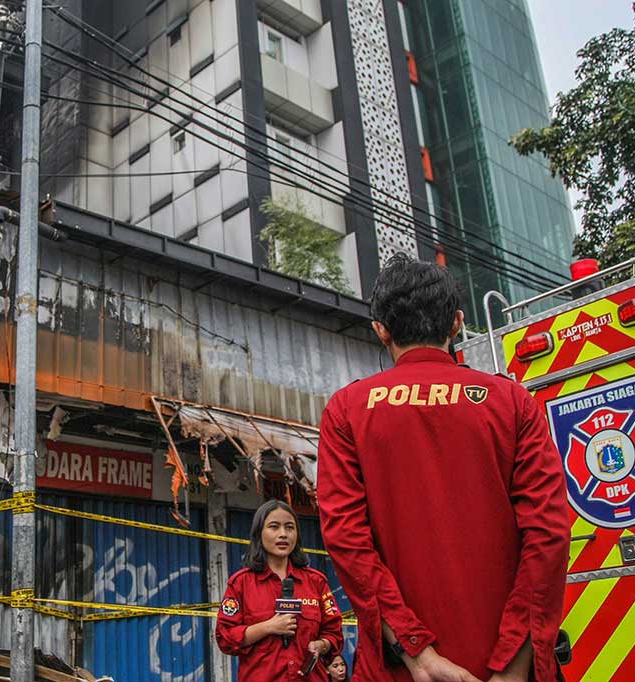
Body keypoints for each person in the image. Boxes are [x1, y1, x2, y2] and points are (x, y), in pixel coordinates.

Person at [316, 254, 570, 682]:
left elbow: (346, 539)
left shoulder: (347, 411)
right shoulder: (512, 403)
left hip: (401, 670)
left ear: (381, 330)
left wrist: (419, 655)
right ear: (456, 323)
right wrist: (513, 666)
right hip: (508, 664)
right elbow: (548, 533)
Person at [216, 499, 344, 680]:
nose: (283, 534)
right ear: (259, 533)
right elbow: (225, 638)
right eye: (274, 527)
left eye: (290, 527)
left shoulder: (316, 582)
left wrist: (321, 645)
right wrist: (268, 627)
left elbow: (335, 633)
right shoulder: (241, 583)